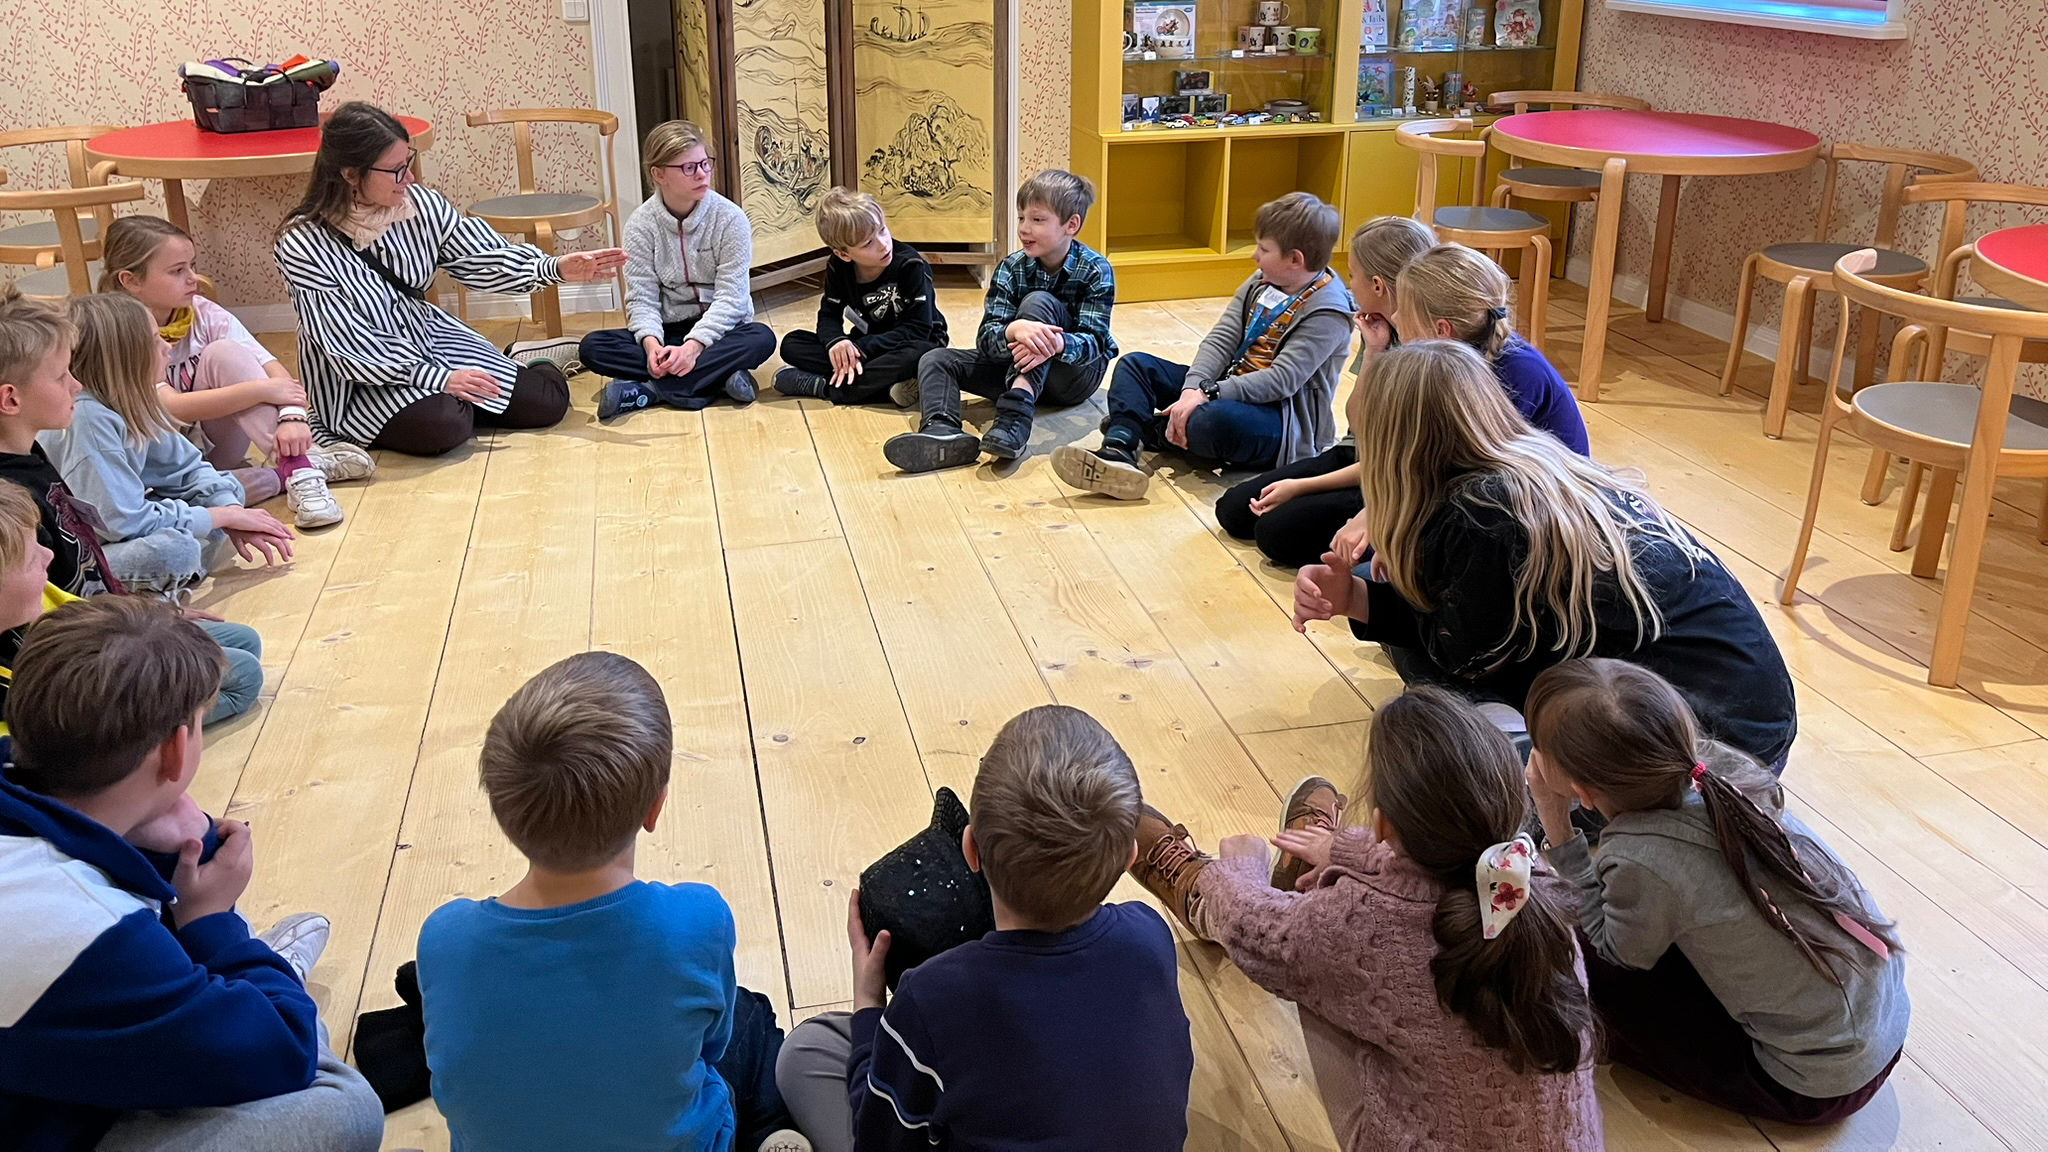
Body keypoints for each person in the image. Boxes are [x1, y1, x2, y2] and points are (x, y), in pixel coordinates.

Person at [1128, 688, 1601, 1150]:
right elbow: (1450, 867)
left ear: (1381, 825)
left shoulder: (1363, 924)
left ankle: (1193, 891)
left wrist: (1236, 873)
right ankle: (1300, 875)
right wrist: (1343, 849)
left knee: (1314, 959)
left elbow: (1257, 931)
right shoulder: (1535, 886)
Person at [1292, 341, 1797, 771]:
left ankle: (1518, 756)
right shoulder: (1530, 465)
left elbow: (1464, 656)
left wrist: (1384, 592)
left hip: (1705, 751)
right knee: (1414, 629)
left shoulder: (1482, 511)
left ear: (1393, 448)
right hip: (1744, 718)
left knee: (1437, 719)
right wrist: (1356, 596)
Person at [0, 596, 381, 1152]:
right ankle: (259, 980)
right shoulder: (88, 934)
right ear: (177, 750)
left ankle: (234, 991)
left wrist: (157, 828)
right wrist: (212, 923)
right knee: (339, 1104)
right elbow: (286, 1051)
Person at [417, 652, 810, 1152]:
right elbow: (712, 1046)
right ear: (655, 808)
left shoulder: (444, 937)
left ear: (502, 811)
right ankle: (770, 1129)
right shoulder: (695, 923)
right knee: (751, 1017)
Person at [775, 705, 1193, 1151]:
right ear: (1130, 858)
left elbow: (878, 1140)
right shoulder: (1149, 934)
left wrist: (868, 1003)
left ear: (970, 848)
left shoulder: (931, 997)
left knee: (805, 1050)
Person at [1525, 658, 1908, 1124]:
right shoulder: (1725, 773)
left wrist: (1555, 823)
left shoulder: (1641, 857)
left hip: (1814, 1084)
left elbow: (1614, 952)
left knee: (1581, 960)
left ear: (1581, 792)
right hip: (1884, 1027)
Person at [275, 101, 626, 456]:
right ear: (350, 174)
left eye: (408, 162)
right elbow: (348, 343)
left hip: (429, 339)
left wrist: (555, 268)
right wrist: (439, 378)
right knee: (444, 425)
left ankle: (526, 356)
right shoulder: (302, 244)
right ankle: (452, 399)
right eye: (396, 170)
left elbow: (480, 256)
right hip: (361, 375)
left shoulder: (419, 205)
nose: (409, 179)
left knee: (547, 404)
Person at [1220, 240, 1589, 568]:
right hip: (1421, 478)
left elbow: (1444, 474)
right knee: (1238, 511)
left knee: (1279, 534)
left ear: (1441, 330)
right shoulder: (1442, 358)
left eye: (1405, 313)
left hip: (1510, 511)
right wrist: (1308, 486)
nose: (1395, 318)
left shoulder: (1513, 372)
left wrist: (1372, 516)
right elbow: (1392, 448)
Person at [0, 286, 265, 726]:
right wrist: (139, 629)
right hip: (75, 653)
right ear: (11, 399)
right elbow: (45, 607)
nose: (76, 384)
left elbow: (84, 565)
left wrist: (156, 614)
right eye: (62, 376)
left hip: (97, 618)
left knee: (243, 641)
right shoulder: (13, 492)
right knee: (242, 676)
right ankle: (121, 737)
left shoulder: (32, 454)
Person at [1053, 192, 1353, 501]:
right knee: (1135, 365)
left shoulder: (1328, 311)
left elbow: (1281, 381)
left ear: (1295, 260)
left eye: (1264, 249)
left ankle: (1148, 429)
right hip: (1223, 389)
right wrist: (1191, 390)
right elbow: (1221, 339)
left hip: (1278, 418)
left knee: (1210, 422)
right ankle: (1119, 448)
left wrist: (1208, 394)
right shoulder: (1262, 280)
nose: (1255, 255)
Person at [99, 214, 373, 522]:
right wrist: (262, 390)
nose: (193, 278)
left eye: (191, 265)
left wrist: (291, 419)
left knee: (226, 353)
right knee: (187, 504)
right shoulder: (116, 332)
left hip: (209, 456)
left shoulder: (202, 313)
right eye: (177, 271)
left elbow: (273, 371)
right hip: (158, 474)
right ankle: (293, 471)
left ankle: (298, 468)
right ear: (130, 280)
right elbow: (171, 407)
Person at [44, 295, 298, 600]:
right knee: (177, 551)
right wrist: (220, 518)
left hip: (116, 529)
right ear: (128, 356)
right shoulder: (88, 419)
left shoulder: (131, 400)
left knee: (223, 498)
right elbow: (121, 522)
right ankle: (129, 598)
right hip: (75, 555)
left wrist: (228, 510)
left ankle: (151, 590)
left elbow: (189, 468)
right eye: (155, 341)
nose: (167, 347)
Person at [1213, 216, 1433, 567]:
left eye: (1353, 274)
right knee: (1235, 510)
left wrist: (1303, 486)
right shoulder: (1380, 327)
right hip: (1358, 457)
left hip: (1393, 476)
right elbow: (1357, 425)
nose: (1349, 283)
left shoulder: (1426, 351)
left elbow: (1394, 462)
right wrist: (1374, 352)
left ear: (1377, 285)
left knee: (1275, 533)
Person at [882, 171, 1116, 471]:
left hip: (1072, 378)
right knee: (935, 359)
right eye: (1021, 218)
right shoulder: (1011, 267)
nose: (1024, 228)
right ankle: (942, 430)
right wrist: (1014, 330)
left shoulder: (1095, 269)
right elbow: (987, 340)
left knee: (1038, 302)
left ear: (1071, 224)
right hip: (1014, 365)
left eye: (1037, 219)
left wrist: (1054, 343)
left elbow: (1096, 343)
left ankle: (1013, 419)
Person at [578, 120, 776, 420]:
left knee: (761, 337)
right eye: (688, 167)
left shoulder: (730, 219)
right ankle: (719, 378)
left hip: (721, 331)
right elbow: (642, 299)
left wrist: (694, 348)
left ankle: (651, 391)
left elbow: (732, 299)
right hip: (668, 331)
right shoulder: (640, 226)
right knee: (592, 347)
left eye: (705, 164)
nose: (702, 174)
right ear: (658, 174)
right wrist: (652, 346)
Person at [774, 187, 947, 407]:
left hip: (915, 342)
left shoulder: (911, 265)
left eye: (882, 230)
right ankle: (886, 387)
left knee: (921, 356)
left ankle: (825, 387)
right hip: (867, 343)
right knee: (792, 344)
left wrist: (861, 349)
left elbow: (919, 329)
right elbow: (829, 315)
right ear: (843, 254)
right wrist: (837, 342)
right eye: (868, 243)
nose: (883, 244)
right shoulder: (838, 267)